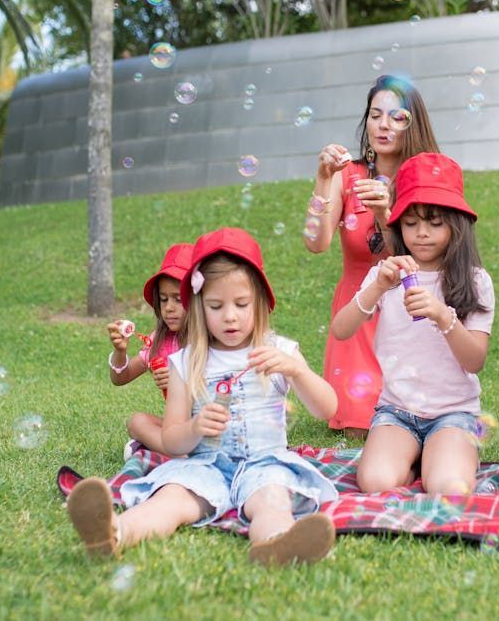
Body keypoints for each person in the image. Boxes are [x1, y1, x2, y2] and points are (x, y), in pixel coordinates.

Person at [67, 228, 340, 566]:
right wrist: (195, 427)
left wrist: (298, 372)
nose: (229, 315)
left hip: (265, 464)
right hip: (205, 466)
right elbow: (172, 439)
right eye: (215, 305)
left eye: (241, 304)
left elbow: (328, 407)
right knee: (171, 499)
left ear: (260, 302)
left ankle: (276, 544)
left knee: (271, 501)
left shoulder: (279, 351)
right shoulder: (186, 362)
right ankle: (113, 533)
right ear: (198, 307)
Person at [331, 153, 493, 496]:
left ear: (457, 224)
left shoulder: (475, 281)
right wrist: (377, 287)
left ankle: (439, 457)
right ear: (398, 224)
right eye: (411, 222)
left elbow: (475, 360)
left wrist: (442, 315)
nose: (422, 233)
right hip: (397, 411)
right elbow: (341, 330)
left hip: (454, 412)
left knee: (449, 488)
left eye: (435, 222)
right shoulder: (386, 274)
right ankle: (415, 458)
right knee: (375, 482)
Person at [303, 75, 442, 440]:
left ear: (413, 123)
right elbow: (316, 243)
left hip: (410, 306)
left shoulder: (426, 178)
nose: (383, 125)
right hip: (358, 310)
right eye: (375, 114)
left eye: (396, 117)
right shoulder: (346, 175)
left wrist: (385, 215)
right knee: (360, 429)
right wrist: (322, 178)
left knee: (411, 424)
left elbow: (421, 259)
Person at [105, 243, 192, 456]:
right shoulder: (160, 342)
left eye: (178, 299)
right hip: (183, 429)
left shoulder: (211, 339)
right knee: (137, 422)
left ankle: (164, 452)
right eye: (163, 299)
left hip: (217, 423)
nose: (169, 307)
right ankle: (181, 453)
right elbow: (120, 378)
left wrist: (179, 382)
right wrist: (120, 352)